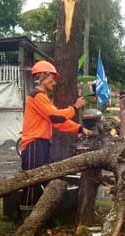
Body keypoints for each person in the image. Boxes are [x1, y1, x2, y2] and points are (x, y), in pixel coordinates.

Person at [21, 61, 92, 209]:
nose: (54, 83)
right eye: (52, 79)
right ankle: (27, 217)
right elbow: (56, 117)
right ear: (42, 77)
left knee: (40, 179)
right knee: (33, 182)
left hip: (41, 143)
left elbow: (58, 123)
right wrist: (74, 107)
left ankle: (37, 215)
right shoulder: (37, 96)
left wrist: (79, 129)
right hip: (34, 143)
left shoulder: (43, 98)